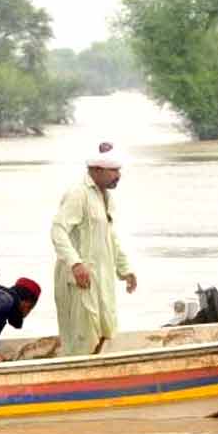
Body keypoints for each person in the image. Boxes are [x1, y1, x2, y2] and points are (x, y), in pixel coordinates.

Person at [51, 142, 137, 356]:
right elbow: (58, 231)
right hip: (80, 278)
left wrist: (125, 269)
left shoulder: (104, 196)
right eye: (114, 171)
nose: (118, 175)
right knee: (82, 334)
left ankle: (94, 371)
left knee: (104, 329)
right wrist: (75, 263)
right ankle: (74, 380)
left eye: (119, 170)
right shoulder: (78, 194)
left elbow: (110, 236)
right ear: (97, 170)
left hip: (102, 277)